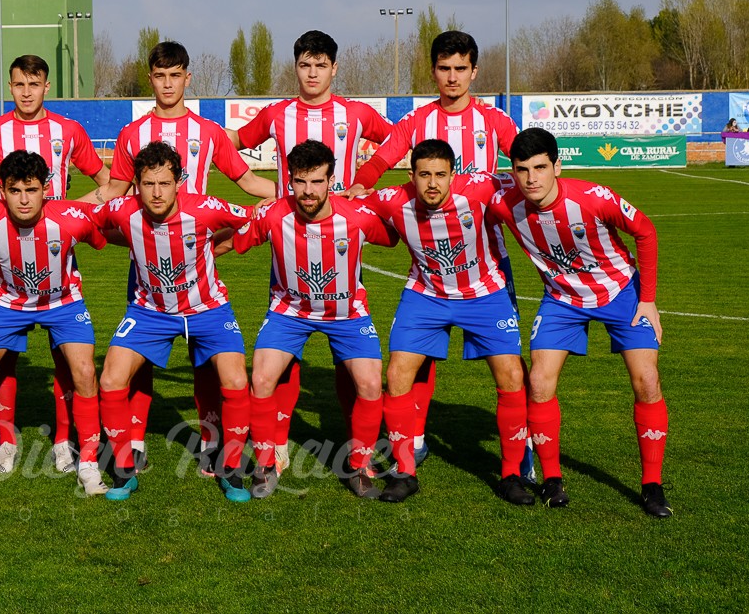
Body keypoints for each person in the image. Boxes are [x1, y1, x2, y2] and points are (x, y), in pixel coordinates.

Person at [82, 41, 275, 473]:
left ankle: (210, 440)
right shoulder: (132, 135)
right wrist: (61, 209)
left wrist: (294, 197)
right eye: (159, 75)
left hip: (196, 256)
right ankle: (132, 442)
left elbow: (245, 181)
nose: (167, 84)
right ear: (149, 78)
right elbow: (113, 193)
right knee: (141, 357)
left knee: (206, 360)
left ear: (188, 78)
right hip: (147, 265)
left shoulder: (208, 133)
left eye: (175, 76)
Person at [350, 30, 528, 478]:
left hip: (487, 259)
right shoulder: (416, 123)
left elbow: (526, 160)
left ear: (474, 71)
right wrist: (360, 183)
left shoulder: (494, 120)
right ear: (433, 70)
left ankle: (521, 451)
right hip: (429, 261)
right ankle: (416, 439)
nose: (452, 77)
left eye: (460, 69)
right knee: (417, 357)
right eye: (444, 69)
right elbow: (380, 160)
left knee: (508, 363)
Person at [0, 54, 110, 476]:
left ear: (47, 86)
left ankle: (67, 443)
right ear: (9, 87)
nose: (26, 92)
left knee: (68, 360)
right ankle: (7, 442)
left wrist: (69, 212)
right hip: (6, 258)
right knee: (3, 360)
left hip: (58, 256)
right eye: (18, 85)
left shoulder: (68, 131)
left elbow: (106, 182)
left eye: (34, 84)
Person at [228, 29, 394, 472]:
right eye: (305, 64)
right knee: (283, 354)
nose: (313, 73)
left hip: (342, 238)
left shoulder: (356, 114)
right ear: (296, 67)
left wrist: (367, 180)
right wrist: (261, 187)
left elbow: (397, 144)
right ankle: (276, 444)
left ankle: (355, 443)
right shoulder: (278, 114)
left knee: (350, 355)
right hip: (288, 239)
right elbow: (230, 145)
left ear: (334, 68)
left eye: (321, 65)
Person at [487, 127, 671, 518]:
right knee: (538, 381)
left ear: (557, 165)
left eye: (540, 167)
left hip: (621, 292)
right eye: (522, 169)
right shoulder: (504, 203)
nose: (531, 178)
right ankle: (552, 480)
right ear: (512, 170)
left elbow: (646, 230)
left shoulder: (592, 197)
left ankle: (652, 484)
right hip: (563, 300)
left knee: (648, 382)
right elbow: (459, 187)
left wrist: (649, 299)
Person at [366, 139, 532, 505]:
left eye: (440, 175)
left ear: (452, 175)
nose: (432, 184)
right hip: (426, 296)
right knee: (396, 376)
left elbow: (531, 182)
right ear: (411, 176)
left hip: (485, 295)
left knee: (512, 376)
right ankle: (404, 472)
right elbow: (346, 205)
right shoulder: (392, 198)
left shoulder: (480, 187)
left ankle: (511, 474)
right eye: (424, 175)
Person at [89, 141, 254, 502]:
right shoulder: (122, 210)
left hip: (208, 309)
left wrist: (217, 247)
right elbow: (90, 224)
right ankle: (123, 470)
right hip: (150, 312)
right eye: (148, 184)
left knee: (237, 379)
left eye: (165, 183)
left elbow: (253, 220)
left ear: (179, 182)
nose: (157, 192)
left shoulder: (207, 209)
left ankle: (231, 467)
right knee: (111, 378)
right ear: (136, 185)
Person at [0, 150, 109, 497]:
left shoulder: (72, 218)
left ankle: (89, 466)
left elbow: (99, 239)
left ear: (46, 189)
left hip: (63, 303)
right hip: (6, 303)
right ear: (1, 189)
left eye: (31, 190)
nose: (23, 199)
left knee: (84, 372)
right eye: (15, 190)